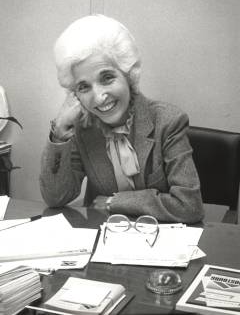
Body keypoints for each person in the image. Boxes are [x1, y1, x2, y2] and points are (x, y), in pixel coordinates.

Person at [40, 14, 204, 223]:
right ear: (75, 95)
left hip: (160, 241)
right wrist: (60, 131)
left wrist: (115, 201)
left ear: (128, 75)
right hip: (104, 240)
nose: (99, 97)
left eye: (107, 78)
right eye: (84, 87)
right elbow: (56, 198)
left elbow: (190, 206)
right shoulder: (82, 128)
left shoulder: (168, 121)